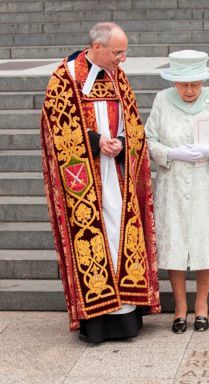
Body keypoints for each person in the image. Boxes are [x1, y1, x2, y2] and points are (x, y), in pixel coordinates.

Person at [40, 22, 161, 342]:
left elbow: (134, 124)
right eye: (118, 52)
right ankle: (96, 322)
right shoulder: (65, 78)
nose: (123, 59)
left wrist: (122, 141)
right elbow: (57, 130)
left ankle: (126, 319)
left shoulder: (117, 75)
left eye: (124, 52)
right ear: (96, 47)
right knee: (95, 240)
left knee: (121, 237)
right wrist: (95, 143)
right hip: (82, 178)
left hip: (118, 176)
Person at [145, 50, 209, 334]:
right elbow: (149, 139)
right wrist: (170, 153)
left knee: (203, 242)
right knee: (174, 242)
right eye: (184, 84)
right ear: (174, 82)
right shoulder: (163, 100)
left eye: (195, 83)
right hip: (172, 182)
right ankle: (179, 307)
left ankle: (202, 304)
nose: (189, 90)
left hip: (204, 182)